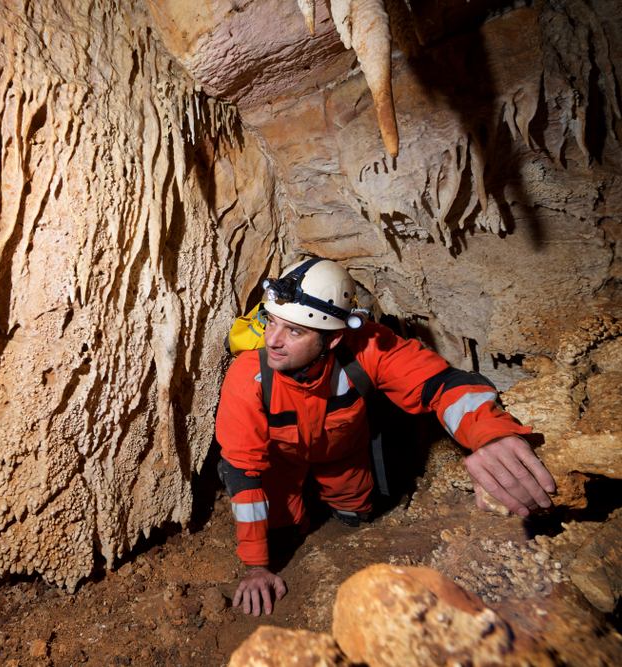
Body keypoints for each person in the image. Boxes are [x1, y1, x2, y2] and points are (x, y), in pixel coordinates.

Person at [215, 257, 556, 616]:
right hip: (279, 465)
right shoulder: (248, 376)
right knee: (282, 530)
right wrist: (256, 566)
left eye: (295, 331)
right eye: (272, 322)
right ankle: (291, 525)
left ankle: (344, 510)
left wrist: (490, 435)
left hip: (343, 457)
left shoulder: (367, 350)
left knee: (355, 518)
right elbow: (243, 471)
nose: (273, 341)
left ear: (331, 341)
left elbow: (443, 385)